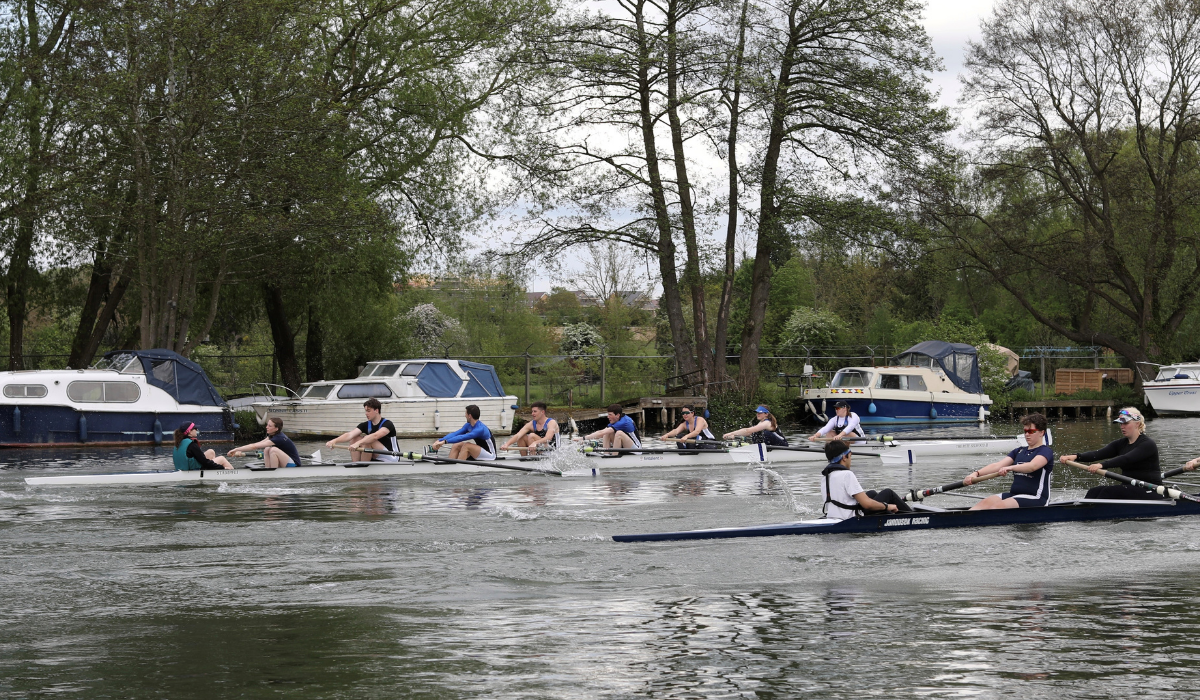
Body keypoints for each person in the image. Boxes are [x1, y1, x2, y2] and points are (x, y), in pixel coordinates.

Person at [1060, 407, 1163, 500]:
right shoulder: (1121, 444)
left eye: (1126, 423)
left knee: (1108, 492)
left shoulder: (1148, 444)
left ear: (1137, 423)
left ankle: (1092, 516)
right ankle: (1083, 514)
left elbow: (1126, 459)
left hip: (1150, 490)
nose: (1122, 426)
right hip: (1129, 488)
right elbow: (1098, 454)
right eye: (1120, 423)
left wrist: (1101, 465)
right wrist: (1075, 456)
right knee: (1094, 491)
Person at [961, 413, 1053, 510]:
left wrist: (1010, 467)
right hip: (1014, 495)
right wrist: (975, 474)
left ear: (1042, 433)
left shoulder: (1045, 451)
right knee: (984, 503)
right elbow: (997, 466)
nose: (1027, 434)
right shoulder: (1019, 451)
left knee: (998, 507)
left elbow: (1032, 466)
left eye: (1031, 431)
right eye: (1025, 431)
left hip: (1036, 498)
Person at [819, 439, 911, 519]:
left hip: (835, 515)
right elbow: (867, 504)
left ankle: (891, 514)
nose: (851, 460)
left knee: (872, 493)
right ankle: (914, 517)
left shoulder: (826, 476)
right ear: (844, 457)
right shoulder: (847, 474)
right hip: (851, 518)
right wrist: (887, 506)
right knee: (888, 493)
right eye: (850, 456)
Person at [326, 398, 400, 462]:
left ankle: (363, 466)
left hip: (392, 456)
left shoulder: (388, 424)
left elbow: (375, 436)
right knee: (355, 438)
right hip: (376, 455)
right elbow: (349, 435)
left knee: (369, 440)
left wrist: (358, 443)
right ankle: (356, 465)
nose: (366, 413)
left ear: (376, 410)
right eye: (365, 411)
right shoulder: (365, 425)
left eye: (368, 411)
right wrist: (334, 441)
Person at [228, 416, 302, 468]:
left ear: (276, 428)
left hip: (294, 465)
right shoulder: (272, 436)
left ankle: (273, 472)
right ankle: (268, 469)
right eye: (267, 425)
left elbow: (254, 447)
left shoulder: (279, 438)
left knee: (273, 450)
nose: (267, 427)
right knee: (267, 449)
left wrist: (235, 449)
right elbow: (255, 444)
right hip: (285, 462)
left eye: (269, 426)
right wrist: (237, 449)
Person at [433, 404, 498, 460]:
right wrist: (439, 440)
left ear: (469, 416)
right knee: (457, 445)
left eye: (465, 414)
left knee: (467, 445)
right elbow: (456, 434)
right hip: (480, 452)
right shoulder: (468, 425)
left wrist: (444, 442)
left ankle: (458, 467)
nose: (465, 416)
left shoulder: (480, 429)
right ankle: (450, 465)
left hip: (490, 455)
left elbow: (463, 437)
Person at [722, 406, 788, 446]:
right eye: (757, 412)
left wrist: (731, 433)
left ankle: (766, 450)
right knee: (756, 433)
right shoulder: (760, 423)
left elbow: (748, 431)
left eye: (760, 413)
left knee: (765, 433)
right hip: (774, 444)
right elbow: (749, 432)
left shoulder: (767, 423)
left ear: (766, 414)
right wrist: (735, 436)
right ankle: (759, 449)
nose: (757, 414)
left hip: (783, 445)